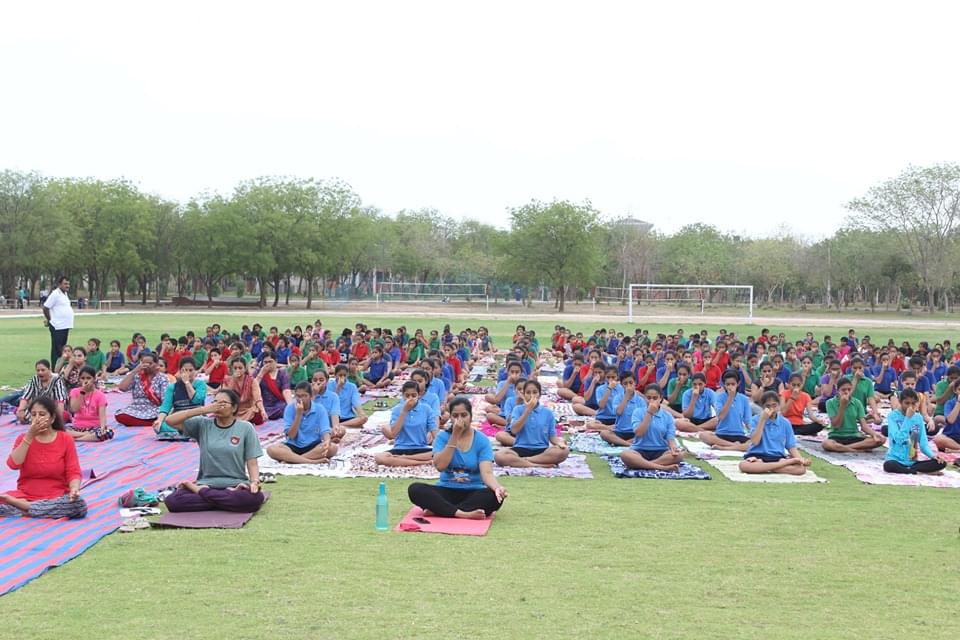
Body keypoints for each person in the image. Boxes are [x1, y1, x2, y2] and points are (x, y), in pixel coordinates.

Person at [160, 390, 265, 513]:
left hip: (236, 485)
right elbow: (170, 421)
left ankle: (203, 494)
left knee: (255, 499)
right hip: (207, 483)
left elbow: (252, 462)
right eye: (215, 402)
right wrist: (203, 410)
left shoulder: (246, 428)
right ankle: (223, 501)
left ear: (234, 407)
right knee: (173, 501)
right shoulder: (203, 424)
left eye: (223, 403)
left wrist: (254, 482)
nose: (217, 406)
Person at [408, 398, 508, 519]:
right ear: (450, 417)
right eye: (455, 415)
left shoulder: (482, 440)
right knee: (415, 489)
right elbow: (440, 466)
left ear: (471, 416)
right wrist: (454, 435)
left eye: (464, 415)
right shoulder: (442, 437)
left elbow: (486, 472)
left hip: (473, 490)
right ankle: (462, 513)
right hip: (446, 489)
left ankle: (441, 509)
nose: (459, 419)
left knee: (494, 497)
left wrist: (497, 488)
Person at [0, 396, 87, 519]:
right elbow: (13, 464)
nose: (37, 419)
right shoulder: (23, 438)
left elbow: (73, 471)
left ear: (52, 418)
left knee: (78, 506)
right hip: (25, 494)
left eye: (41, 414)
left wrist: (74, 489)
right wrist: (29, 436)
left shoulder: (65, 439)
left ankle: (26, 508)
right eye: (33, 415)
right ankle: (30, 507)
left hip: (56, 496)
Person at [494, 380, 569, 468]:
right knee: (499, 455)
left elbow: (552, 437)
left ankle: (527, 461)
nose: (531, 395)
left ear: (539, 395)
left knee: (564, 451)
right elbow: (514, 430)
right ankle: (537, 465)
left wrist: (560, 443)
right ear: (524, 395)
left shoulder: (547, 413)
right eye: (528, 393)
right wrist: (528, 410)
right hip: (521, 448)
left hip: (542, 450)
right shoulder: (518, 410)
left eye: (535, 392)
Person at [739, 391, 812, 475]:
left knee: (801, 469)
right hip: (758, 455)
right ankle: (778, 467)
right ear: (762, 407)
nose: (772, 409)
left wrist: (800, 459)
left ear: (778, 406)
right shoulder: (755, 420)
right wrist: (762, 419)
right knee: (743, 465)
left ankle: (766, 468)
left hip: (777, 457)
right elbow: (755, 441)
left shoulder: (785, 422)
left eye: (774, 405)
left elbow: (791, 447)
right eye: (768, 406)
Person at [266, 382, 338, 464]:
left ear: (311, 397)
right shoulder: (290, 408)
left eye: (304, 396)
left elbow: (325, 430)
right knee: (271, 449)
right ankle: (311, 461)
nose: (300, 399)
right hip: (293, 446)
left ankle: (294, 460)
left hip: (313, 446)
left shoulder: (320, 409)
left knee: (333, 448)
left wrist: (326, 442)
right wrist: (298, 414)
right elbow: (291, 435)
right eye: (298, 396)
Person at [620, 383, 684, 471]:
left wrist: (673, 447)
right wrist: (649, 413)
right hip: (640, 449)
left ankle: (644, 464)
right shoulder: (638, 412)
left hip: (661, 450)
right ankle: (662, 467)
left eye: (655, 398)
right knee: (625, 455)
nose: (651, 401)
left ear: (660, 398)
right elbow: (639, 433)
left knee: (679, 456)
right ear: (645, 398)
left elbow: (670, 437)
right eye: (649, 398)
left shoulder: (667, 415)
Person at [375, 381, 438, 466]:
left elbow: (434, 431)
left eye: (413, 395)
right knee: (379, 457)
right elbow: (394, 433)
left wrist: (440, 446)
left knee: (441, 453)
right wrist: (404, 411)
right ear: (403, 396)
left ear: (419, 395)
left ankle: (404, 459)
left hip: (421, 448)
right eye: (407, 395)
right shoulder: (397, 410)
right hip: (400, 448)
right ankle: (424, 462)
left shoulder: (426, 409)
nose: (410, 398)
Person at [885, 389, 947, 474]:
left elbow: (923, 444)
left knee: (941, 463)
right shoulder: (892, 416)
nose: (910, 406)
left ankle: (911, 470)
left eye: (913, 403)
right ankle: (915, 471)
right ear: (900, 402)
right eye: (907, 403)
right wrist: (907, 418)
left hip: (912, 461)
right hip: (895, 460)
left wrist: (933, 456)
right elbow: (899, 439)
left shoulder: (918, 418)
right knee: (889, 465)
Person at [823, 378, 885, 453]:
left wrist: (874, 434)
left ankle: (845, 448)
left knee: (881, 439)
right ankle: (857, 450)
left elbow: (864, 426)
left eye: (849, 389)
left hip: (854, 436)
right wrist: (842, 406)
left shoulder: (857, 403)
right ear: (837, 390)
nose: (846, 392)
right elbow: (836, 425)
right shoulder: (830, 403)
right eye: (843, 390)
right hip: (837, 436)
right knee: (826, 444)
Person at [700, 370, 754, 451]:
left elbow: (748, 420)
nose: (730, 387)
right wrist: (730, 398)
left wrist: (752, 433)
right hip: (722, 434)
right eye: (728, 384)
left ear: (738, 384)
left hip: (738, 434)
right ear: (724, 385)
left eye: (733, 384)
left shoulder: (744, 399)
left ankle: (724, 448)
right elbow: (721, 416)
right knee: (703, 435)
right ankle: (732, 446)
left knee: (755, 442)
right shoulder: (720, 397)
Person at [154, 357, 207, 435]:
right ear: (180, 371)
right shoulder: (172, 387)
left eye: (191, 370)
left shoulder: (200, 384)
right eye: (184, 370)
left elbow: (196, 399)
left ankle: (182, 433)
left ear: (195, 371)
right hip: (179, 419)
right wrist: (159, 420)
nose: (187, 373)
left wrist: (187, 383)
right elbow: (165, 406)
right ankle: (185, 432)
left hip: (196, 418)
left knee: (202, 423)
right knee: (160, 426)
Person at [115, 352, 169, 426]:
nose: (146, 365)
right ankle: (152, 423)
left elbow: (165, 400)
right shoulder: (137, 376)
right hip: (137, 408)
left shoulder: (162, 378)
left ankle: (154, 421)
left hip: (154, 408)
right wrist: (135, 370)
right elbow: (122, 388)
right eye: (144, 363)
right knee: (119, 415)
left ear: (156, 364)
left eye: (150, 363)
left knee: (165, 413)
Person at [66, 366, 113, 442]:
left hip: (94, 428)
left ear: (94, 379)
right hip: (78, 428)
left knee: (107, 433)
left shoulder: (100, 395)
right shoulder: (74, 392)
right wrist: (82, 392)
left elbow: (102, 416)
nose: (85, 381)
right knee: (60, 431)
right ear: (79, 379)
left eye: (88, 378)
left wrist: (102, 428)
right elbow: (74, 409)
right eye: (83, 378)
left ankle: (77, 439)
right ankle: (85, 436)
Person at [599, 372, 646, 446]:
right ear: (621, 385)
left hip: (634, 432)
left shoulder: (640, 400)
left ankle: (621, 442)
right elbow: (618, 412)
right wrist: (626, 397)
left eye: (631, 383)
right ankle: (628, 444)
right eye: (625, 384)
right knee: (604, 433)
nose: (628, 386)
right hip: (620, 431)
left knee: (647, 435)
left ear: (635, 383)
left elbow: (643, 419)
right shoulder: (618, 398)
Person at [15, 359, 67, 424]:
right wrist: (21, 410)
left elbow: (60, 400)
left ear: (49, 369)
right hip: (36, 409)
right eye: (38, 370)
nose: (40, 372)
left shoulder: (57, 380)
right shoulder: (35, 379)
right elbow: (26, 396)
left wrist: (59, 417)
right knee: (22, 415)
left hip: (52, 409)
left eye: (43, 370)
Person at [223, 356, 268, 425]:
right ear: (232, 369)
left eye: (240, 368)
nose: (237, 370)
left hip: (248, 410)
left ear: (245, 369)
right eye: (235, 368)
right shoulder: (227, 380)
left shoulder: (252, 381)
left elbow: (258, 398)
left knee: (258, 417)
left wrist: (262, 410)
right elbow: (225, 397)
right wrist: (233, 380)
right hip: (234, 410)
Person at [42, 276, 74, 368]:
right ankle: (54, 370)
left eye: (68, 284)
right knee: (57, 350)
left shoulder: (65, 294)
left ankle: (60, 368)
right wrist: (50, 320)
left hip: (64, 326)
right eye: (65, 284)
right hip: (57, 326)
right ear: (59, 284)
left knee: (63, 350)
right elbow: (46, 307)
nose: (67, 286)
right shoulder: (55, 294)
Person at [256, 353, 291, 421]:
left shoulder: (282, 373)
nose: (268, 364)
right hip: (263, 404)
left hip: (278, 404)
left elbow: (286, 390)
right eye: (265, 362)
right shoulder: (258, 372)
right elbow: (253, 388)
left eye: (270, 361)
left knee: (284, 407)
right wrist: (261, 373)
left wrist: (291, 407)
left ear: (276, 361)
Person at [333, 364, 367, 429]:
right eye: (340, 375)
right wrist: (338, 387)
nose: (342, 378)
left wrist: (361, 413)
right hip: (335, 417)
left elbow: (356, 403)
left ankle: (340, 426)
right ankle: (339, 426)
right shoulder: (330, 386)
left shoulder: (352, 386)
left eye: (344, 375)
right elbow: (333, 402)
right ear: (335, 375)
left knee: (364, 418)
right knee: (358, 426)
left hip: (348, 417)